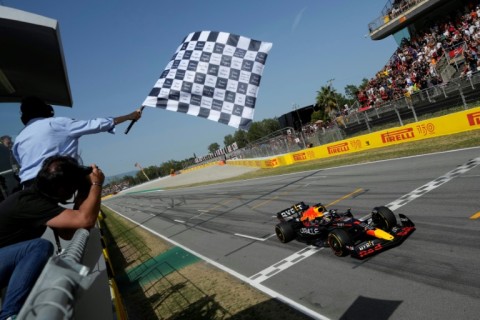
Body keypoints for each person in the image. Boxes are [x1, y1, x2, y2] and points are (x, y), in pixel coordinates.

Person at [0, 155, 105, 319]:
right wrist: (96, 184)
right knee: (39, 247)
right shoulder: (30, 203)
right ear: (61, 188)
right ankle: (9, 315)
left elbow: (68, 232)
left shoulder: (37, 198)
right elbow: (86, 220)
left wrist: (84, 190)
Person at [12, 96, 142, 187]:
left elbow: (21, 163)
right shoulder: (58, 123)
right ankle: (85, 217)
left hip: (29, 186)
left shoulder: (19, 138)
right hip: (56, 181)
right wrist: (129, 116)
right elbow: (96, 124)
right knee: (93, 173)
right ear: (47, 110)